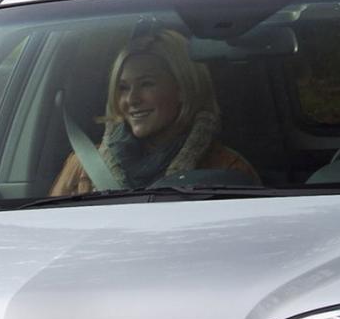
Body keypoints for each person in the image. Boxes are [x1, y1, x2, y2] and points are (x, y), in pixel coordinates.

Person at [50, 28, 257, 196]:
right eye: (123, 88)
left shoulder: (227, 169)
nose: (132, 99)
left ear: (183, 88)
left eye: (146, 84)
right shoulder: (83, 165)